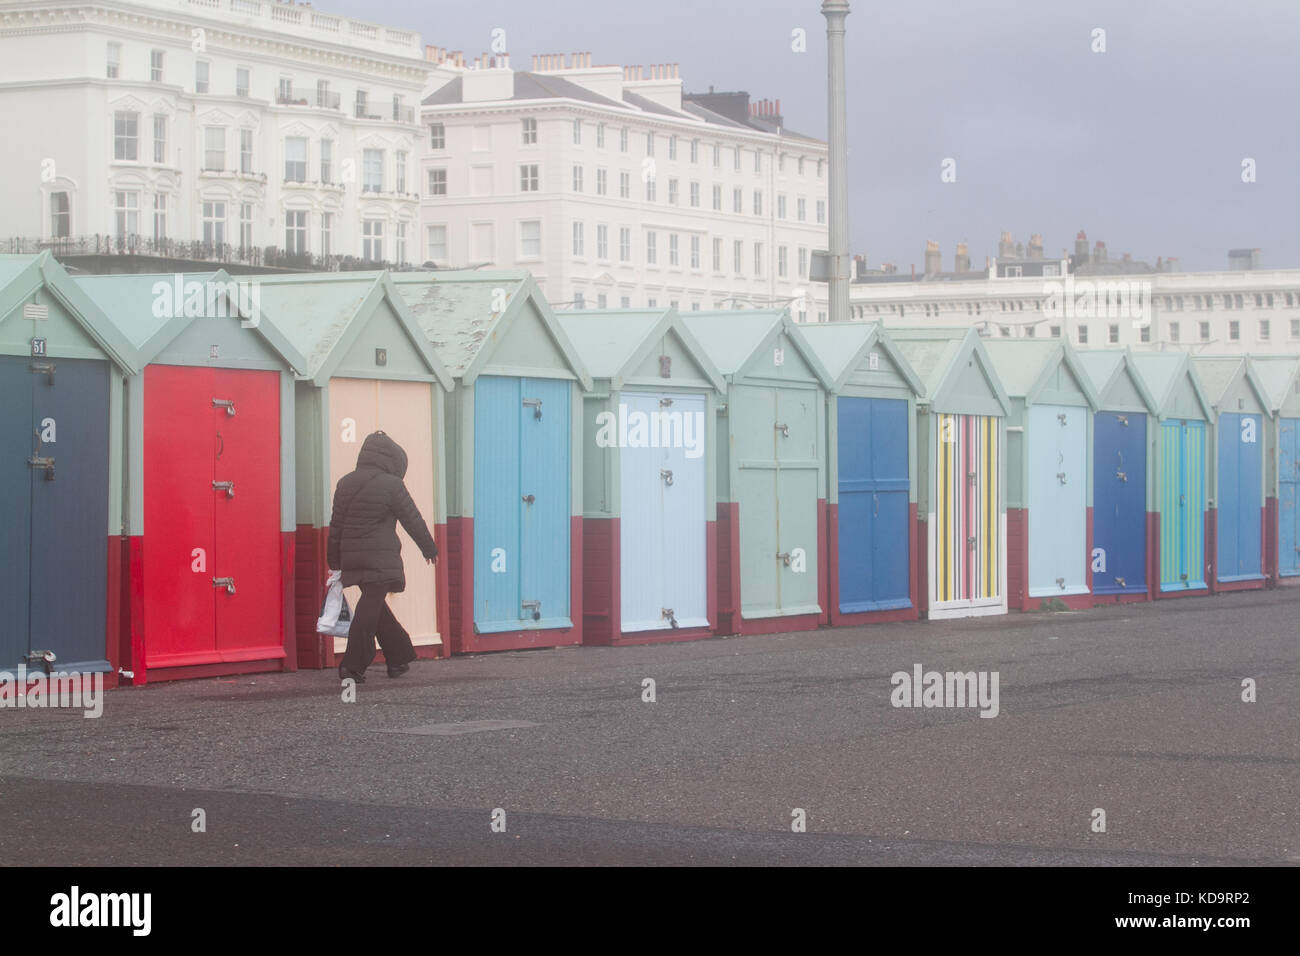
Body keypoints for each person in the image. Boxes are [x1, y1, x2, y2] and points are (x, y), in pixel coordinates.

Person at [327, 430, 437, 682]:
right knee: (369, 607)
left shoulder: (345, 482)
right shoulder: (392, 484)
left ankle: (399, 656)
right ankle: (352, 665)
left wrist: (333, 561)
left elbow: (336, 526)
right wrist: (429, 548)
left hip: (352, 557)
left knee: (374, 604)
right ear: (392, 459)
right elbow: (413, 519)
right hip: (380, 557)